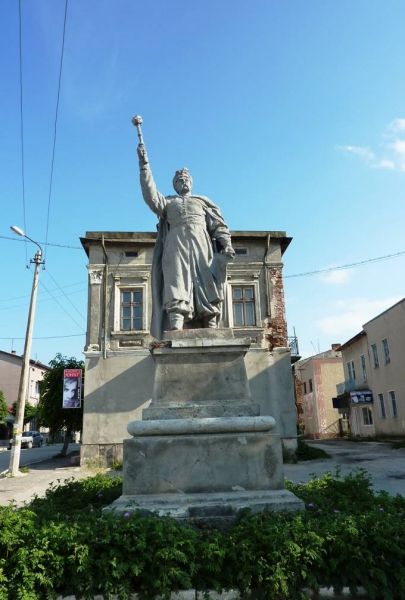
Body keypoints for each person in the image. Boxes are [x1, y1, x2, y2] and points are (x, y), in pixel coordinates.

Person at [137, 142, 235, 338]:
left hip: (202, 243)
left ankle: (211, 323)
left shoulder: (202, 201)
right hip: (176, 244)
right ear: (175, 184)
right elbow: (150, 196)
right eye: (180, 179)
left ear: (192, 182)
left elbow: (218, 226)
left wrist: (226, 244)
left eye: (186, 178)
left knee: (207, 279)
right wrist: (144, 165)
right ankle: (176, 324)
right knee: (176, 280)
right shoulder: (168, 202)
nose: (184, 181)